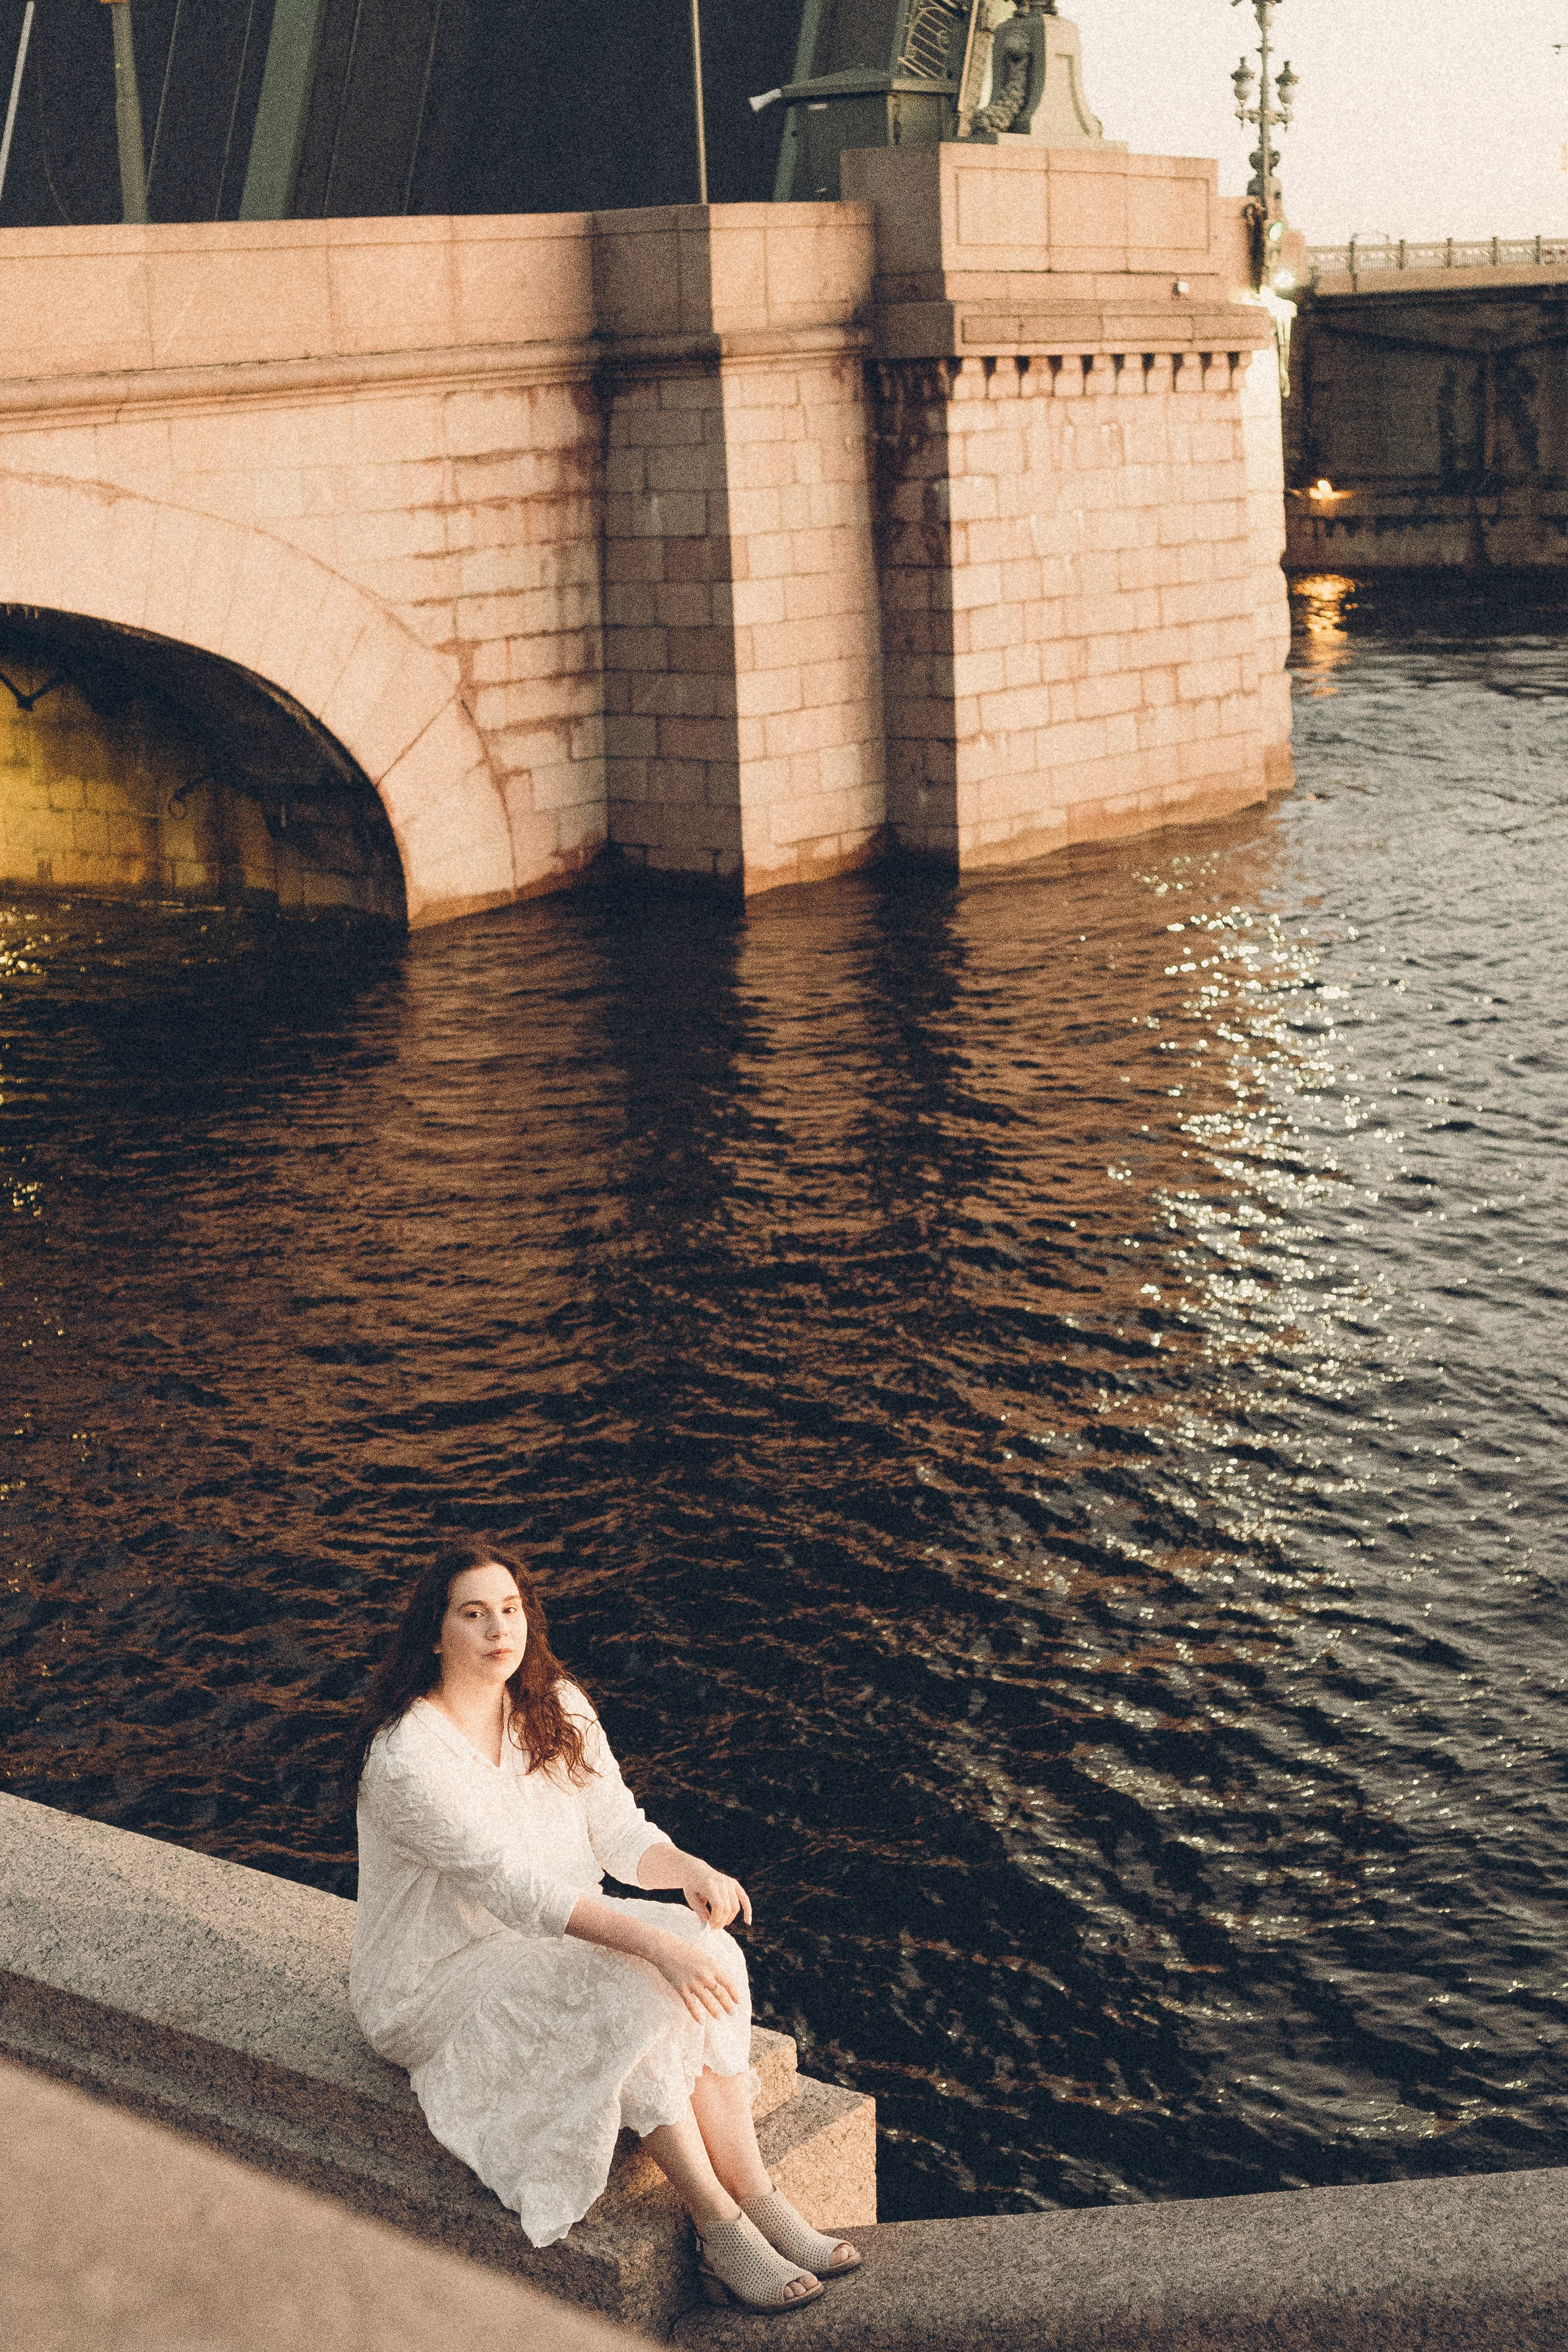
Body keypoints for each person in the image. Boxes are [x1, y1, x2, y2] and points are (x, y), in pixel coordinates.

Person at [346, 1539, 861, 2314]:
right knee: (635, 1988)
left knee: (710, 1948)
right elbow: (512, 1889)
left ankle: (756, 2193)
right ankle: (718, 2228)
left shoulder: (555, 1704)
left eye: (510, 1609)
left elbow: (618, 1832)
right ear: (434, 1635)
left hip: (550, 1934)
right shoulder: (406, 1757)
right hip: (437, 1974)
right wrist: (654, 1944)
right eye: (474, 1614)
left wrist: (688, 1869)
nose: (499, 1630)